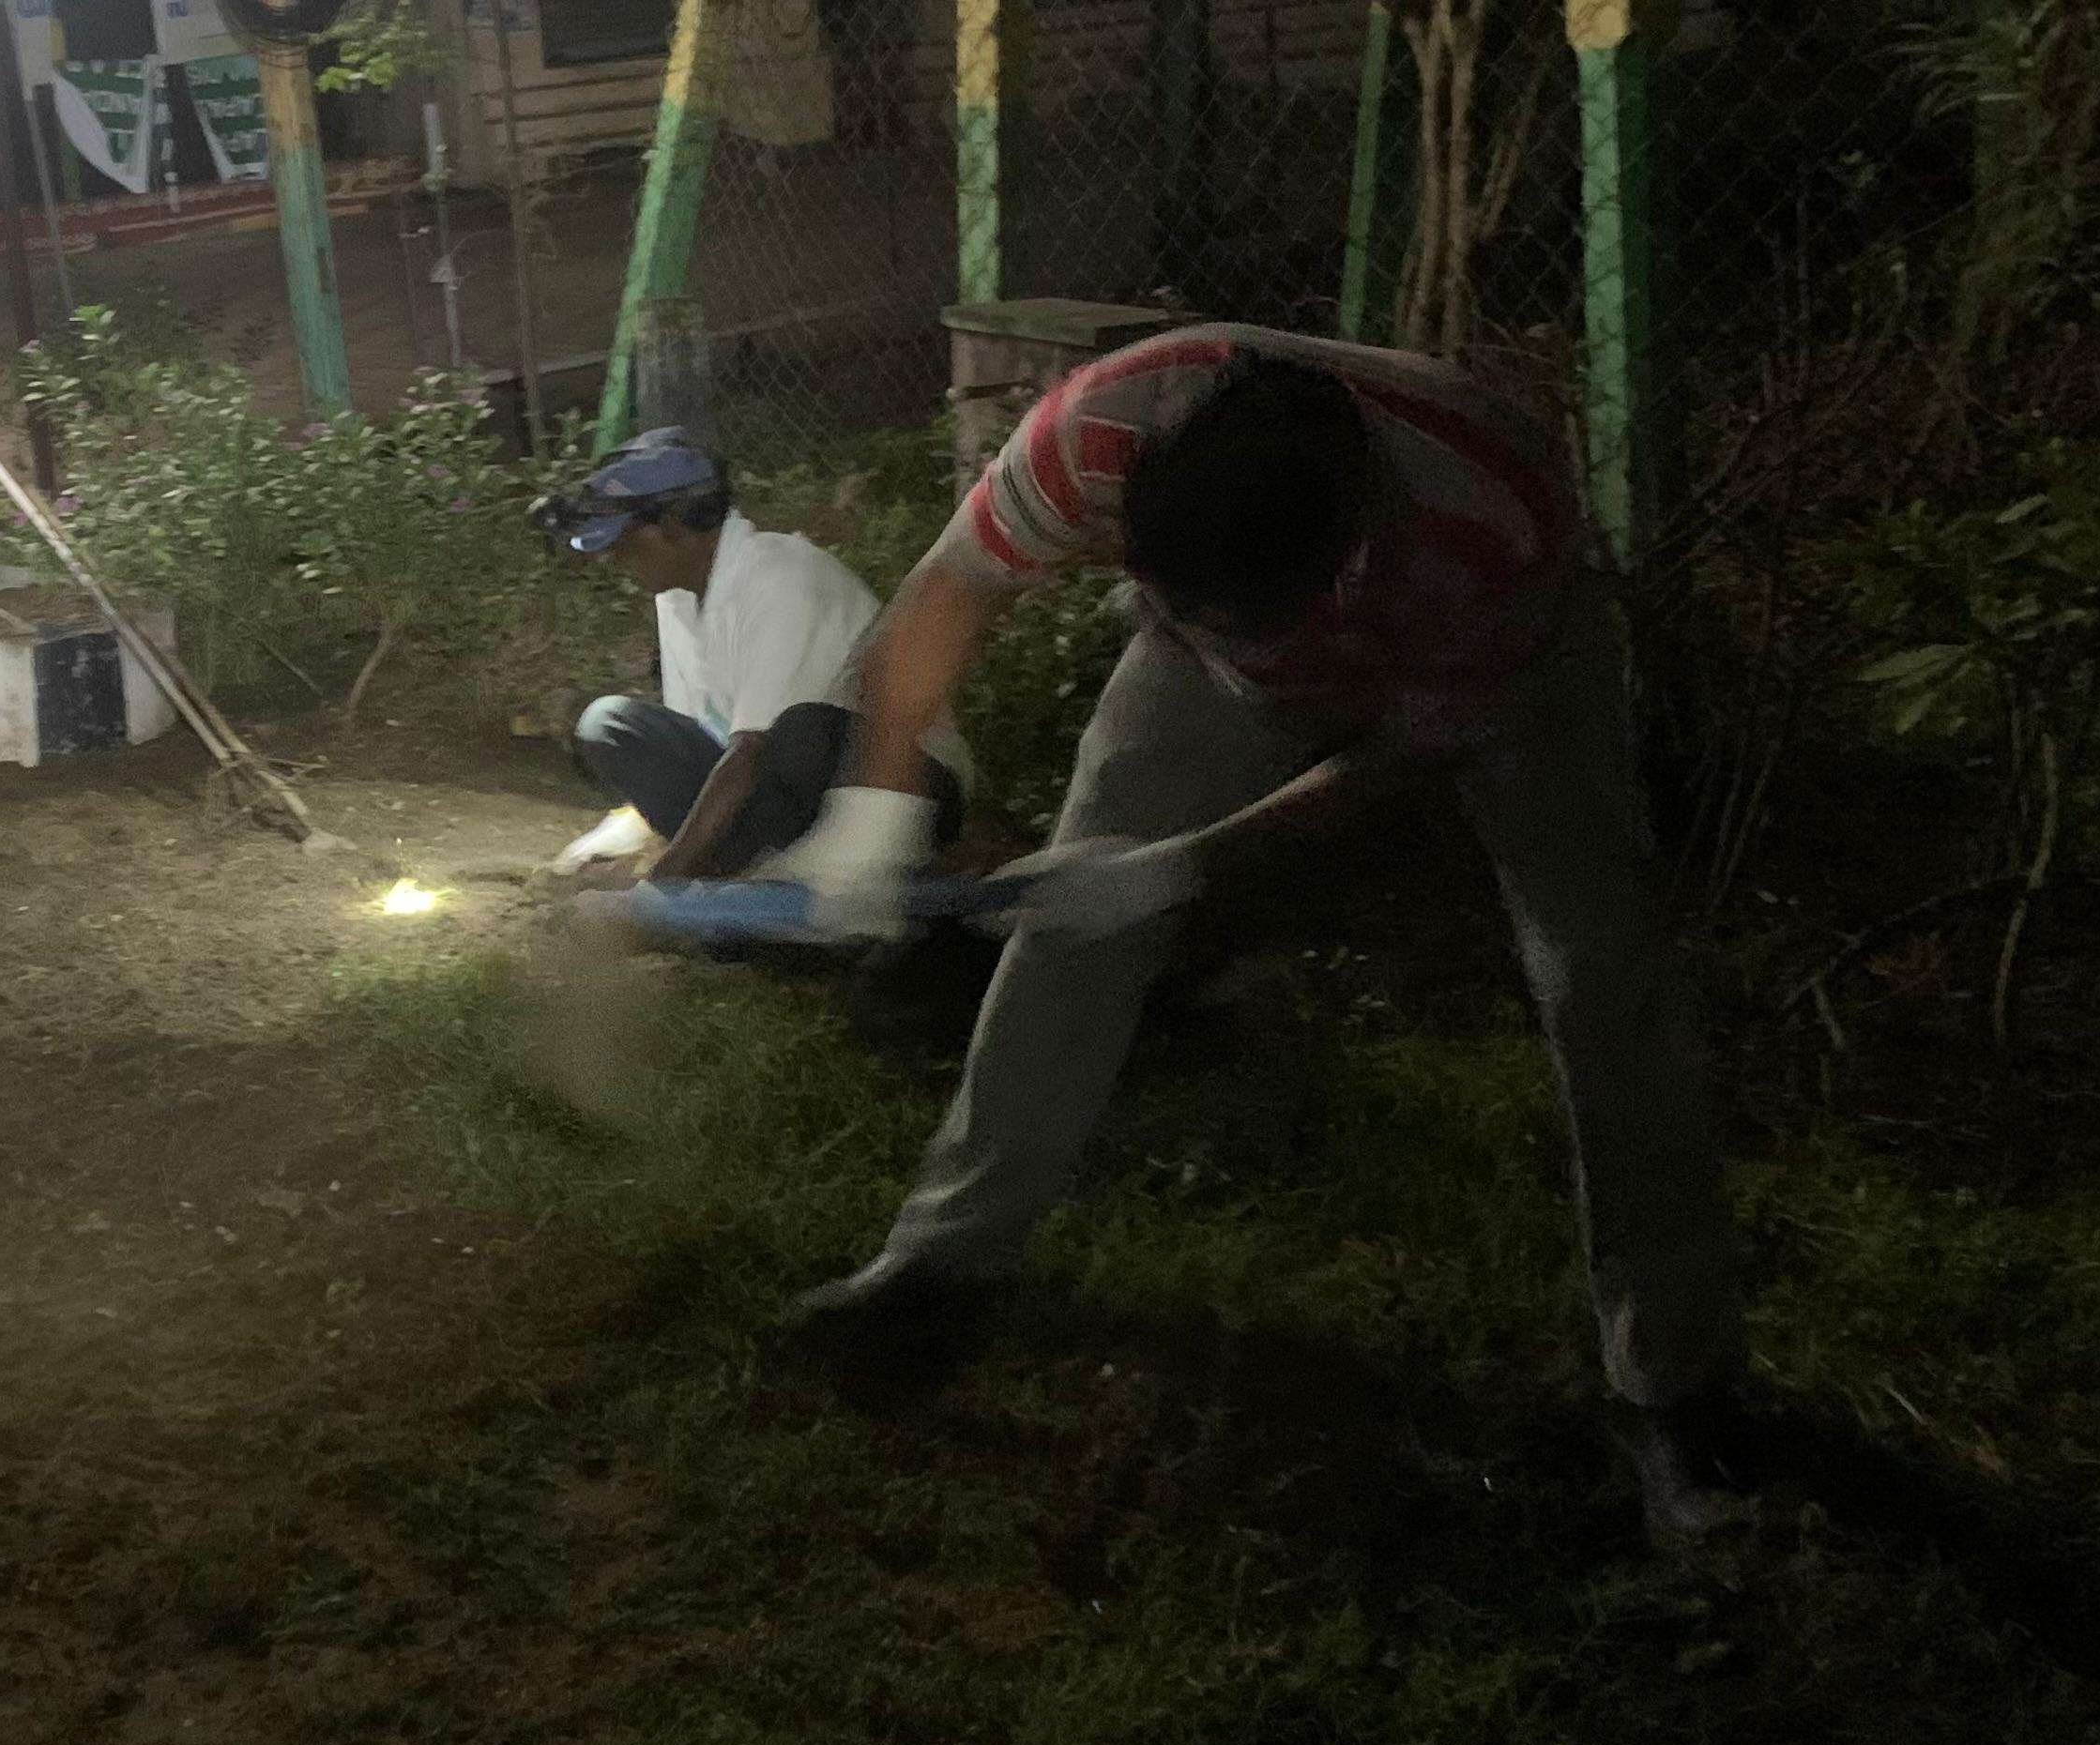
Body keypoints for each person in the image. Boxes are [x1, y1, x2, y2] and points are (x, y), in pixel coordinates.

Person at [767, 324, 1754, 1541]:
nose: (1254, 675)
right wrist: (872, 813)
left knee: (1599, 968)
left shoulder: (1487, 522)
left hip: (1514, 672)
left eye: (1259, 639)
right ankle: (941, 1266)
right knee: (1072, 917)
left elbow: (1394, 758)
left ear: (1345, 570)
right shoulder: (1092, 438)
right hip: (1209, 622)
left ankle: (1675, 1381)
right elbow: (948, 591)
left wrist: (1181, 869)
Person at [538, 429, 967, 884]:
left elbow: (750, 755)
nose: (616, 556)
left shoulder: (782, 578)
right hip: (783, 792)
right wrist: (628, 832)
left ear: (675, 527)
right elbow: (710, 739)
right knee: (609, 724)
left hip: (899, 783)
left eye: (624, 539)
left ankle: (818, 867)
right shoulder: (676, 596)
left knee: (799, 731)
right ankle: (743, 869)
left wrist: (658, 885)